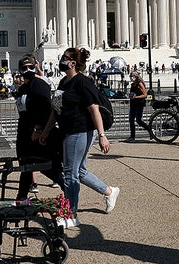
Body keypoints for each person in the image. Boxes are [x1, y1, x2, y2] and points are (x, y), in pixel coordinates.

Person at [39, 47, 120, 229]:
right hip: (67, 130)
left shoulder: (83, 82)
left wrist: (102, 135)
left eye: (65, 58)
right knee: (79, 171)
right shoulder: (62, 83)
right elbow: (56, 110)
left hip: (80, 131)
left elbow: (94, 109)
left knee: (70, 174)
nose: (62, 60)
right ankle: (109, 191)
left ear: (73, 63)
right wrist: (46, 131)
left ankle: (71, 214)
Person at [14, 55, 64, 200]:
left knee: (44, 164)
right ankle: (21, 198)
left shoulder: (39, 84)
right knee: (26, 165)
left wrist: (39, 129)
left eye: (31, 66)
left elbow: (46, 108)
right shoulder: (23, 88)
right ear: (19, 70)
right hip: (24, 132)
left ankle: (66, 186)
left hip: (37, 132)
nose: (28, 69)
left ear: (36, 67)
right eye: (24, 68)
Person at [124, 71, 151, 143]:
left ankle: (150, 130)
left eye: (132, 76)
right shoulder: (132, 85)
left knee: (138, 120)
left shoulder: (140, 84)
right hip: (133, 104)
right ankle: (132, 136)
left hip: (139, 103)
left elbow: (145, 94)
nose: (131, 78)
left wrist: (136, 97)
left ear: (136, 77)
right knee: (131, 120)